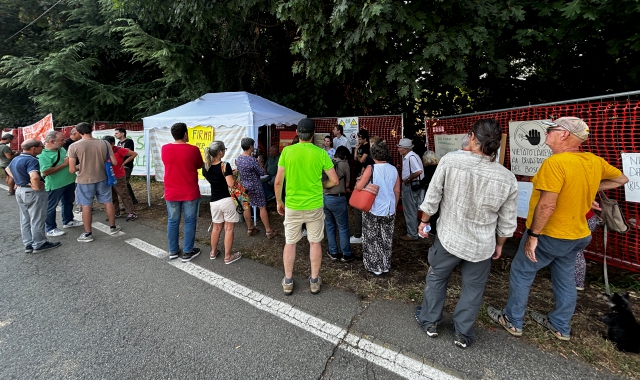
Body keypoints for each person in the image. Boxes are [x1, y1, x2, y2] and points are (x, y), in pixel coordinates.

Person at [486, 116, 629, 342]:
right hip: (578, 234)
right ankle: (560, 325)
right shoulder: (593, 161)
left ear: (564, 135)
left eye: (552, 129)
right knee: (564, 279)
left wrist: (533, 235)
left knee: (522, 272)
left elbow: (547, 204)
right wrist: (587, 190)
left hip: (551, 234)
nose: (547, 133)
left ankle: (513, 319)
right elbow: (621, 178)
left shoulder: (556, 163)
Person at [416, 119, 518, 349]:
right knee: (473, 289)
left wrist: (424, 222)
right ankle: (462, 332)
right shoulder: (507, 178)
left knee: (436, 278)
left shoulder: (450, 161)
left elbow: (432, 198)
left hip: (449, 236)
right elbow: (507, 221)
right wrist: (499, 244)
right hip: (482, 244)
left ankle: (430, 321)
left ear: (472, 137)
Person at [275, 118, 338, 295]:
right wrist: (322, 186)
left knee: (290, 243)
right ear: (313, 134)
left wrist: (280, 202)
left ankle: (288, 281)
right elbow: (334, 180)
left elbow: (279, 180)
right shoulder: (321, 154)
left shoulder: (287, 152)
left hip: (293, 206)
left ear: (297, 132)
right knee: (315, 242)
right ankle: (314, 281)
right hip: (314, 205)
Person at [67, 122, 122, 242]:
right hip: (102, 178)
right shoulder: (104, 143)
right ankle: (113, 227)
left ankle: (88, 233)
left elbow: (71, 169)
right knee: (108, 202)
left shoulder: (74, 146)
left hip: (84, 180)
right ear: (91, 130)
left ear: (78, 132)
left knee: (86, 206)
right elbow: (114, 162)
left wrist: (80, 165)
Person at [6, 139, 61, 253]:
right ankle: (40, 243)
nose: (43, 148)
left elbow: (8, 169)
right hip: (32, 192)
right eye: (41, 146)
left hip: (21, 191)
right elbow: (35, 176)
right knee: (37, 218)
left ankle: (28, 243)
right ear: (33, 148)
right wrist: (36, 187)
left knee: (25, 218)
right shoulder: (32, 160)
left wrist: (19, 179)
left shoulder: (17, 158)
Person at [355, 140, 400, 275]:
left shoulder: (371, 168)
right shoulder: (394, 169)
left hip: (373, 207)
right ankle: (385, 264)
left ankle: (374, 266)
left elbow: (359, 187)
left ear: (373, 155)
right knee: (386, 238)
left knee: (371, 237)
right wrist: (395, 206)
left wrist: (360, 179)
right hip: (389, 208)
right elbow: (397, 191)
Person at [161, 122, 204, 262]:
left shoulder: (165, 149)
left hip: (171, 191)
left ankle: (173, 250)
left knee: (173, 220)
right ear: (185, 134)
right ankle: (187, 251)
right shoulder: (193, 149)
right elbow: (199, 165)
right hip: (189, 190)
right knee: (190, 221)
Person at [202, 141, 242, 264]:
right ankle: (228, 256)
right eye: (224, 149)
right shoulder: (225, 165)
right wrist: (233, 175)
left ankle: (213, 252)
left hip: (214, 201)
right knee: (229, 228)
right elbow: (230, 183)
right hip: (227, 199)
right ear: (220, 152)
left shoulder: (205, 167)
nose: (224, 151)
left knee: (216, 227)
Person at [39, 131, 83, 238]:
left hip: (69, 181)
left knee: (68, 202)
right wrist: (64, 164)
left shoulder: (61, 149)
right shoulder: (42, 154)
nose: (64, 142)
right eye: (61, 140)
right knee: (51, 207)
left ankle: (68, 221)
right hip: (54, 185)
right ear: (52, 141)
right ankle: (50, 228)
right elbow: (45, 172)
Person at [236, 137, 279, 239]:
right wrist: (259, 162)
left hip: (244, 186)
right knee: (262, 207)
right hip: (255, 185)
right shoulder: (252, 160)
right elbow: (262, 172)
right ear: (251, 146)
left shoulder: (239, 159)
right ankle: (268, 231)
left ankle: (250, 228)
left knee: (246, 207)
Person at [324, 145, 352, 263]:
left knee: (330, 226)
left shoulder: (327, 162)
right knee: (343, 227)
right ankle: (346, 254)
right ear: (345, 156)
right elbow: (347, 184)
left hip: (325, 198)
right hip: (338, 198)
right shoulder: (344, 164)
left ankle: (333, 252)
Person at [103, 136, 138, 221]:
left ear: (112, 144)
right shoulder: (103, 151)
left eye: (107, 144)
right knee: (112, 196)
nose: (105, 146)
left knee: (123, 194)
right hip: (108, 176)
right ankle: (116, 212)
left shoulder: (119, 150)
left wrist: (124, 162)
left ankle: (131, 212)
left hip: (118, 176)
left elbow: (134, 154)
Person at [397, 138, 424, 241]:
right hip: (416, 185)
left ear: (405, 149)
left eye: (400, 147)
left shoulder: (410, 158)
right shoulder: (414, 156)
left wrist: (408, 179)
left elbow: (418, 171)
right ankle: (413, 231)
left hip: (411, 185)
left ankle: (412, 234)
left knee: (409, 210)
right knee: (412, 208)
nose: (398, 149)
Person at [350, 129, 371, 244]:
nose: (358, 140)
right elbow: (355, 158)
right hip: (359, 172)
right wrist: (356, 150)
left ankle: (360, 233)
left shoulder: (367, 148)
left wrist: (358, 154)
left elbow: (362, 159)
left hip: (363, 175)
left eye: (359, 138)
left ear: (364, 138)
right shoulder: (361, 147)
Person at [575, 206, 601, 291]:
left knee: (575, 250)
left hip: (582, 219)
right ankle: (576, 281)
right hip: (587, 217)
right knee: (576, 250)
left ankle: (577, 282)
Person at [114, 127, 138, 204]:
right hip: (121, 166)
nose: (115, 135)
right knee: (125, 183)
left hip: (127, 165)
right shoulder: (118, 143)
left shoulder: (128, 141)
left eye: (117, 133)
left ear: (122, 133)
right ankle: (132, 199)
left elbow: (127, 152)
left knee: (124, 183)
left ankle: (129, 201)